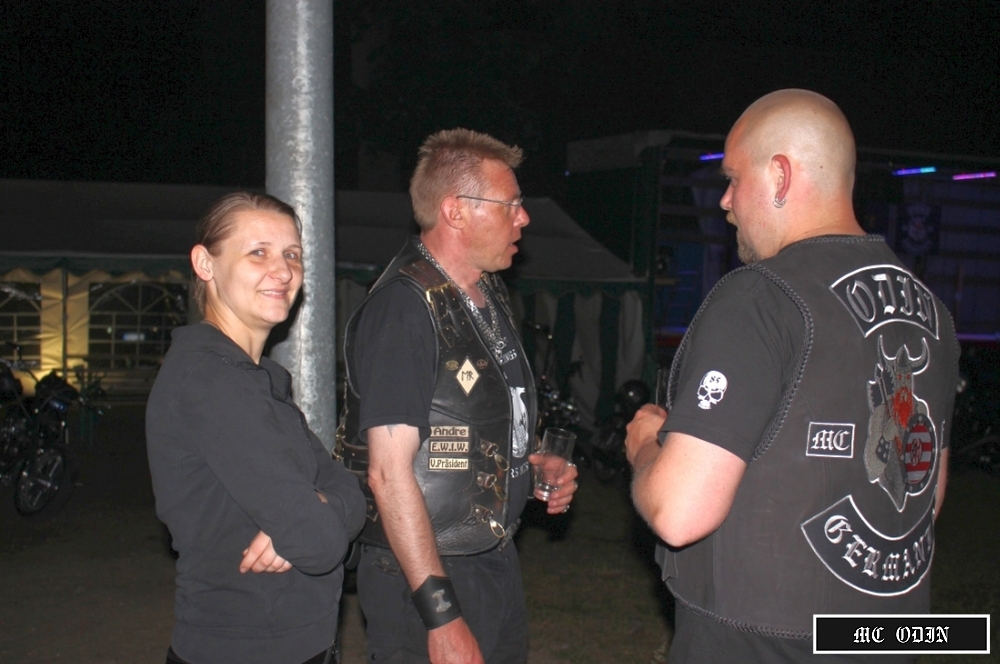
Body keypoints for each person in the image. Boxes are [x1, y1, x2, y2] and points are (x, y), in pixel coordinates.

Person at [625, 90, 959, 663]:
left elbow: (679, 513)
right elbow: (926, 495)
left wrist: (645, 448)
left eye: (733, 179)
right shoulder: (931, 310)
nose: (725, 201)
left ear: (780, 176)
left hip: (756, 642)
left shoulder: (761, 297)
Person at [338, 128, 579, 663]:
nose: (523, 218)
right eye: (510, 204)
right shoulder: (404, 309)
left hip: (491, 557)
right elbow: (387, 473)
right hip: (424, 574)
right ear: (455, 212)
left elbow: (471, 424)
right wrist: (441, 614)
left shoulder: (487, 294)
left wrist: (526, 467)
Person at [146, 192, 367, 664]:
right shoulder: (211, 381)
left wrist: (321, 506)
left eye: (292, 254)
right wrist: (314, 516)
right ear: (205, 264)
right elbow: (317, 541)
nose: (283, 271)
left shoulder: (257, 379)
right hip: (244, 646)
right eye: (258, 253)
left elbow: (346, 488)